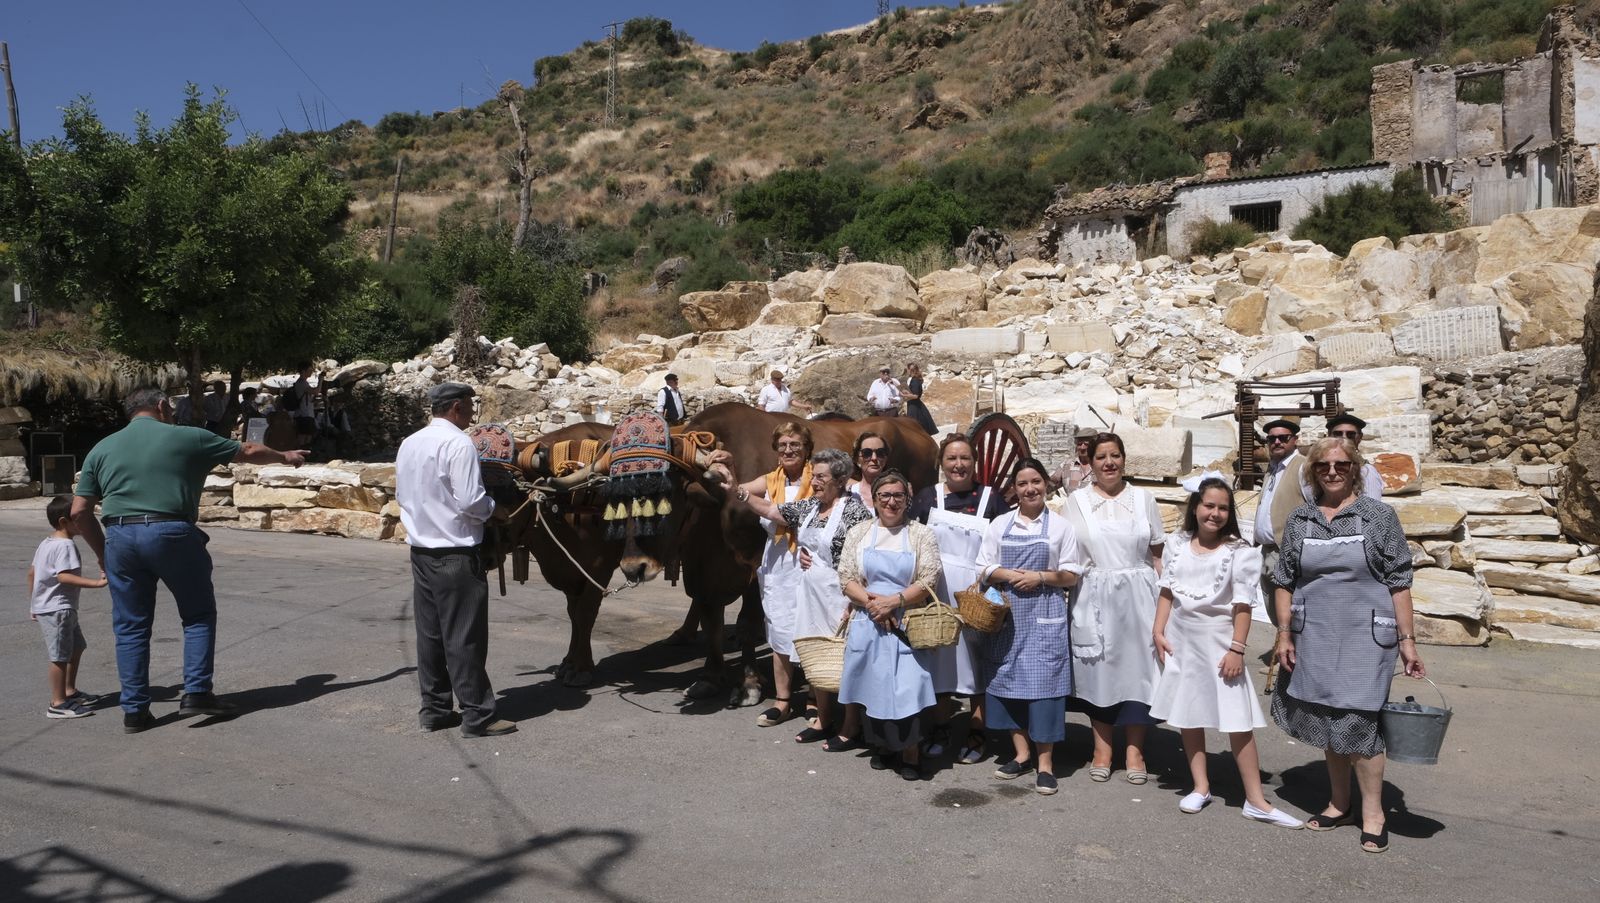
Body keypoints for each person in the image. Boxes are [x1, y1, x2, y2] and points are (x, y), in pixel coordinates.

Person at [71, 386, 308, 734]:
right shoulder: (188, 436)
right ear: (162, 406)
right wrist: (284, 456)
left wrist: (103, 554)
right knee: (197, 615)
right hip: (171, 531)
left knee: (131, 626)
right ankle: (197, 693)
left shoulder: (102, 448)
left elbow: (79, 512)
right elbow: (248, 450)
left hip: (120, 535)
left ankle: (134, 712)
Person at [1272, 437, 1424, 854]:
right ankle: (1340, 804)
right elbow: (1284, 580)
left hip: (1365, 636)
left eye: (1341, 464)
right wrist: (1284, 633)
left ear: (1355, 469)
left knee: (1360, 720)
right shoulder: (1301, 519)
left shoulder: (1378, 516)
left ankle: (1373, 813)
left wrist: (1408, 642)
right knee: (1327, 715)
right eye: (1323, 465)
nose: (1332, 471)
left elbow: (1399, 582)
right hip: (1314, 633)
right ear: (1312, 472)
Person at [1150, 476, 1304, 828]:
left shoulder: (1238, 551)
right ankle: (1200, 786)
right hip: (1182, 640)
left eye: (1222, 508)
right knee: (1189, 714)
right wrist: (1158, 630)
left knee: (1238, 720)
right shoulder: (1177, 544)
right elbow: (1167, 591)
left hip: (1221, 643)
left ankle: (1256, 800)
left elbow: (1242, 605)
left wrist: (1237, 648)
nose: (1215, 513)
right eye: (1209, 505)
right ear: (1196, 507)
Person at [727, 448, 872, 748]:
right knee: (817, 655)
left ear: (840, 479)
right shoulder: (810, 507)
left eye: (820, 477)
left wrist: (854, 601)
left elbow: (865, 557)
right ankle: (823, 719)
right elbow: (772, 511)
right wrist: (738, 491)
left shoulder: (855, 511)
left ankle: (851, 724)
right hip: (811, 595)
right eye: (813, 476)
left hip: (841, 596)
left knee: (846, 659)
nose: (814, 482)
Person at [396, 382, 517, 738]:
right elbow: (471, 501)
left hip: (421, 552)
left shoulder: (410, 442)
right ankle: (478, 715)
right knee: (465, 636)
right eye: (470, 405)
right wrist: (495, 509)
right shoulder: (459, 444)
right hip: (456, 553)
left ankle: (434, 710)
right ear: (456, 407)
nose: (473, 412)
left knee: (430, 635)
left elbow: (402, 494)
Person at [1062, 432, 1164, 784]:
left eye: (1115, 455)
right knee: (1099, 674)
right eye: (1101, 457)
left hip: (1140, 597)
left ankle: (1135, 751)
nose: (1109, 463)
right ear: (1089, 463)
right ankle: (1101, 749)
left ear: (1123, 459)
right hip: (1094, 595)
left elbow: (1158, 553)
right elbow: (1066, 552)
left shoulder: (1144, 499)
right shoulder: (1076, 501)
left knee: (1140, 673)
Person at [977, 458, 1082, 795]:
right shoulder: (1000, 524)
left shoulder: (1061, 527)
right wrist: (1010, 575)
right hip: (1007, 613)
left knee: (1045, 689)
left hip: (1044, 610)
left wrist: (1039, 577)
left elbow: (1072, 574)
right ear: (1015, 489)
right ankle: (1021, 755)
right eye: (1022, 483)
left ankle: (1046, 764)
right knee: (1007, 680)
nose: (1030, 489)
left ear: (1046, 484)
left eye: (1035, 481)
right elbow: (983, 567)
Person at [837, 470, 943, 781]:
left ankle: (910, 752)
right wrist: (875, 605)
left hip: (906, 621)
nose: (891, 502)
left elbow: (929, 578)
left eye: (898, 495)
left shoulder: (921, 534)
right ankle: (883, 746)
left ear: (907, 499)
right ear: (875, 499)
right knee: (873, 686)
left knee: (908, 689)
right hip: (868, 621)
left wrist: (894, 602)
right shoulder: (859, 532)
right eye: (885, 495)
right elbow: (846, 577)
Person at [910, 435, 1009, 764]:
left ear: (974, 462)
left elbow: (1007, 541)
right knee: (939, 659)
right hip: (936, 591)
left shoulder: (991, 499)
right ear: (942, 463)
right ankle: (941, 727)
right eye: (951, 458)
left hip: (974, 593)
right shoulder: (928, 497)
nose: (958, 465)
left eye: (965, 458)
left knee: (976, 663)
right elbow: (910, 537)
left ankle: (977, 731)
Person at [730, 422, 813, 727]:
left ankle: (816, 699)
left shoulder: (819, 478)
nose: (789, 450)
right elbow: (735, 489)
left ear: (807, 449)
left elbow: (853, 488)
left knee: (813, 629)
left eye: (795, 444)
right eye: (783, 445)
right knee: (779, 631)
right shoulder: (768, 480)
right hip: (778, 564)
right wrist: (726, 470)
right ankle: (783, 701)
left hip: (810, 561)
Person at [29, 496, 109, 720]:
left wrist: (34, 603)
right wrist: (97, 583)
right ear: (64, 522)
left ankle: (69, 690)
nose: (84, 523)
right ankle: (58, 702)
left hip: (54, 607)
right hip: (58, 609)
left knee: (77, 647)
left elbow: (32, 573)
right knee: (59, 655)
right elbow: (63, 577)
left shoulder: (46, 543)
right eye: (79, 519)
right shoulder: (66, 546)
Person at [1251, 418, 1302, 616]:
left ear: (1295, 440)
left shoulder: (1302, 467)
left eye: (1283, 438)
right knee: (1275, 611)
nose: (1277, 442)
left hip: (1287, 552)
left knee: (1289, 614)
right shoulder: (1273, 468)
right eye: (1272, 439)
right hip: (1267, 551)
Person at [1299, 413, 1384, 501]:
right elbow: (1312, 499)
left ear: (1359, 437)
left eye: (1350, 434)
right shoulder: (1309, 467)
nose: (1344, 438)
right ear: (1329, 435)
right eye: (1338, 434)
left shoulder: (1366, 471)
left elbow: (1371, 506)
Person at [846, 431, 890, 512]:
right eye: (867, 453)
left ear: (885, 459)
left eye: (880, 453)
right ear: (857, 460)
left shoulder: (898, 494)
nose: (874, 458)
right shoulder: (846, 494)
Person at [1050, 427, 1097, 493]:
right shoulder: (1066, 465)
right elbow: (1049, 485)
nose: (1082, 447)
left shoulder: (1101, 465)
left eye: (1086, 444)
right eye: (1079, 444)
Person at [902, 363, 937, 435]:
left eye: (907, 369)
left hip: (915, 407)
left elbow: (915, 396)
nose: (907, 371)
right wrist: (907, 392)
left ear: (910, 370)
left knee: (915, 427)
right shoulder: (915, 379)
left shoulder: (914, 380)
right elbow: (913, 393)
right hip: (914, 405)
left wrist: (904, 395)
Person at [291, 362, 318, 447]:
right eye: (309, 370)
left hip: (305, 414)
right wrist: (321, 380)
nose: (311, 372)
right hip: (303, 415)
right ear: (303, 371)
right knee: (302, 438)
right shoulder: (301, 382)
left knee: (308, 437)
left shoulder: (304, 383)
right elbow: (316, 391)